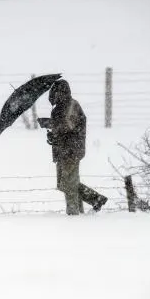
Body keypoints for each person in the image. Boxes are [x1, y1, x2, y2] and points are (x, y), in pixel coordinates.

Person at [42, 79, 108, 215]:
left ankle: (73, 214)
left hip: (72, 150)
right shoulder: (57, 109)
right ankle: (95, 199)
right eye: (53, 92)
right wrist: (52, 137)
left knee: (69, 184)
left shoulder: (72, 105)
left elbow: (68, 125)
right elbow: (60, 131)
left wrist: (50, 124)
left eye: (57, 92)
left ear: (63, 92)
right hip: (61, 150)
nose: (54, 95)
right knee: (63, 184)